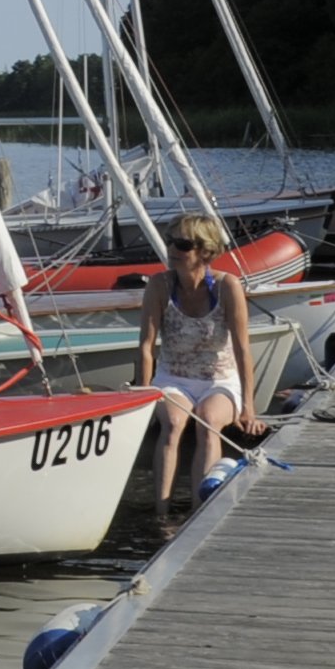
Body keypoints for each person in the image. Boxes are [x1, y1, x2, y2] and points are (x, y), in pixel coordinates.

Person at [136, 215, 253, 525]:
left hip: (220, 378)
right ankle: (161, 513)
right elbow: (146, 346)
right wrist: (143, 390)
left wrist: (249, 410)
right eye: (170, 240)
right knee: (173, 423)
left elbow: (242, 350)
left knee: (208, 420)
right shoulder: (160, 285)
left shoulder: (228, 286)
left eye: (182, 244)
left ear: (205, 251)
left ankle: (198, 512)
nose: (172, 249)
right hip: (173, 377)